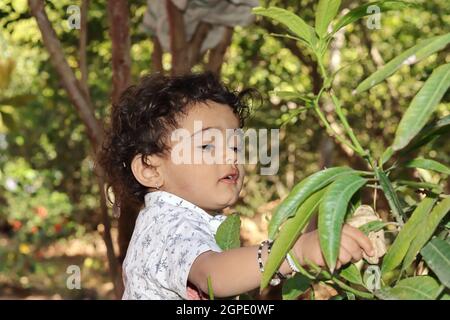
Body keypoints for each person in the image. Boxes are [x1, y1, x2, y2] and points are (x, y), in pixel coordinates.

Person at [97, 72, 374, 300]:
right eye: (207, 145)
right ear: (149, 170)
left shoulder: (183, 220)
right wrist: (294, 251)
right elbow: (214, 276)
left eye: (235, 145)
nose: (231, 156)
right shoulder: (167, 223)